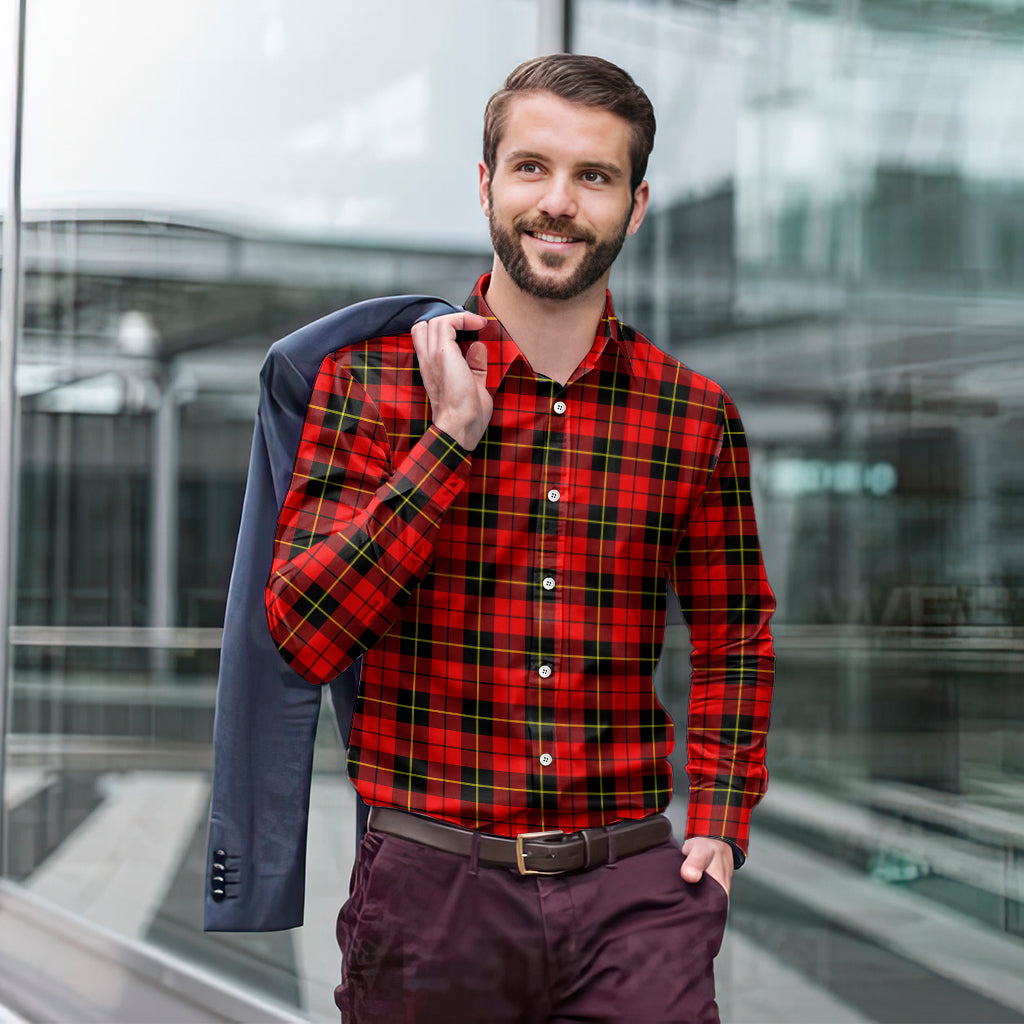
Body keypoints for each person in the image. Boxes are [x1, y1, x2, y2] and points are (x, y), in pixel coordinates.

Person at [264, 53, 775, 1024]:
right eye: (532, 167)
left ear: (636, 202)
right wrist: (449, 440)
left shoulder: (692, 417)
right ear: (487, 182)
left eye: (595, 176)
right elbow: (303, 630)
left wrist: (716, 818)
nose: (559, 202)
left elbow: (735, 632)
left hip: (634, 896)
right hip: (432, 895)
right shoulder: (372, 387)